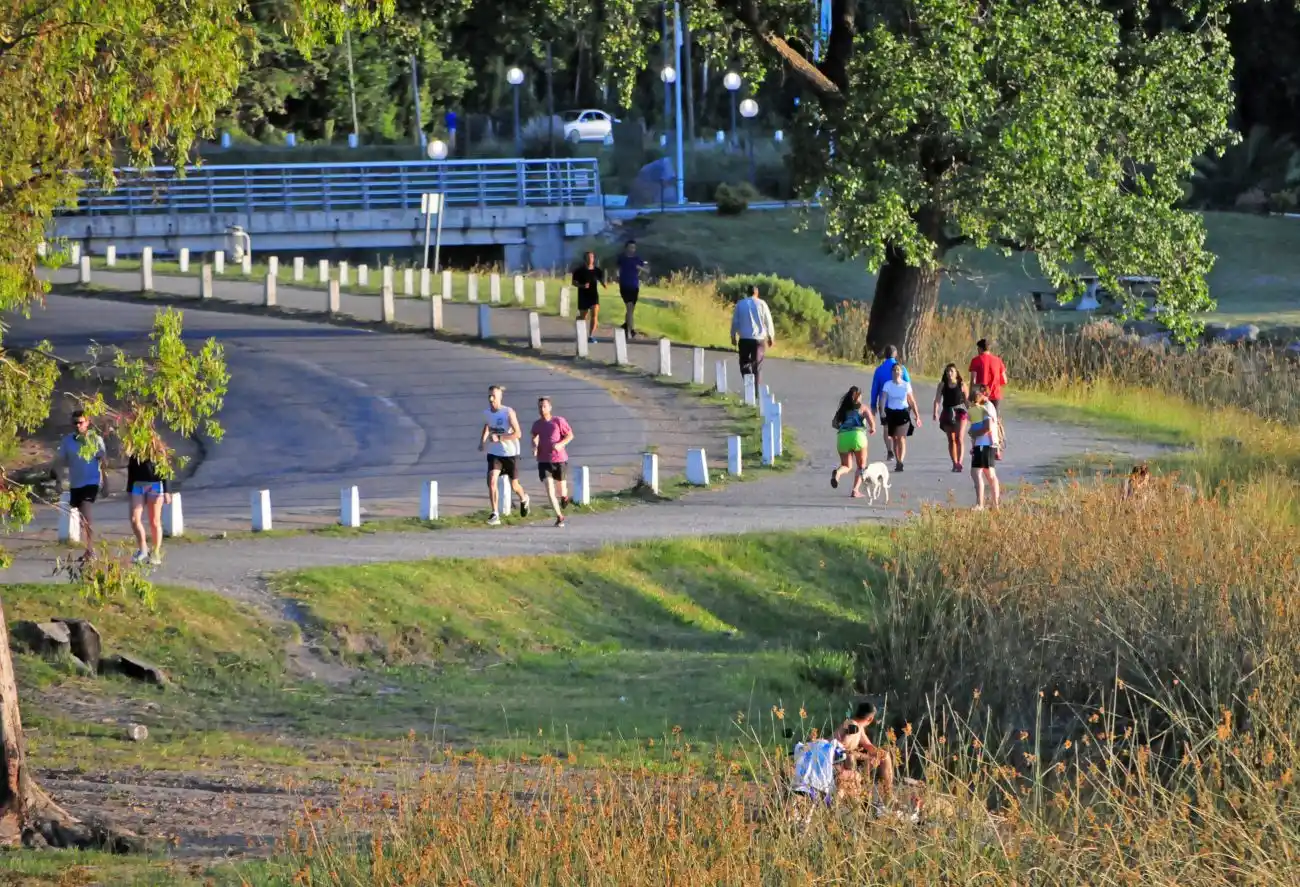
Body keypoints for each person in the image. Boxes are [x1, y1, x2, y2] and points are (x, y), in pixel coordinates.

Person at [54, 410, 106, 559]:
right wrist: (58, 481)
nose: (77, 425)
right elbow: (60, 462)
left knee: (86, 515)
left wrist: (106, 483)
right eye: (75, 423)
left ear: (88, 422)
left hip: (91, 482)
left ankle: (91, 550)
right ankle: (88, 549)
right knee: (82, 517)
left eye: (81, 422)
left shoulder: (95, 440)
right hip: (75, 483)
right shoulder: (67, 441)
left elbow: (103, 462)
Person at [478, 385, 531, 526]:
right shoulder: (487, 413)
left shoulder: (508, 412)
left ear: (500, 397)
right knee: (492, 480)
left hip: (510, 453)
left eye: (493, 396)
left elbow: (518, 433)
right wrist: (482, 441)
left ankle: (524, 498)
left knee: (514, 485)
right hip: (495, 453)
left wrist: (500, 438)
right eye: (489, 396)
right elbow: (487, 426)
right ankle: (495, 513)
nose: (490, 399)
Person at [833, 701, 895, 806]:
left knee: (885, 757)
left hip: (845, 760)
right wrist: (867, 758)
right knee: (851, 758)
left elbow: (868, 746)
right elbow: (842, 748)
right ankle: (856, 796)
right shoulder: (851, 724)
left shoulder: (859, 728)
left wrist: (881, 754)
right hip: (836, 761)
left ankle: (888, 795)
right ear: (870, 719)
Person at [531, 396, 574, 527]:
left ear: (550, 407)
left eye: (544, 406)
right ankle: (559, 516)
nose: (541, 409)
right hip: (544, 461)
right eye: (539, 406)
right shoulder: (537, 424)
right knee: (549, 489)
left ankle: (564, 497)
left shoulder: (558, 421)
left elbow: (570, 435)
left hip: (559, 460)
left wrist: (560, 444)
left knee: (561, 489)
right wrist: (534, 447)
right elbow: (534, 438)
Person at [127, 443, 170, 565]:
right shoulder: (135, 447)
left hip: (154, 485)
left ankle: (155, 552)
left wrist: (166, 491)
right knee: (135, 519)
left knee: (154, 521)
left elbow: (165, 470)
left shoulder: (157, 448)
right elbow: (131, 470)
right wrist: (129, 490)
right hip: (138, 485)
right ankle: (143, 549)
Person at [830, 386, 876, 497]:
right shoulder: (863, 408)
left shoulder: (843, 409)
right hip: (857, 436)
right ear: (859, 396)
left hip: (843, 437)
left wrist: (845, 427)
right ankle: (855, 490)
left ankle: (838, 473)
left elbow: (834, 424)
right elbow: (872, 423)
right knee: (861, 466)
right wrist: (872, 429)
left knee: (846, 465)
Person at [729, 284, 775, 393]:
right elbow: (768, 321)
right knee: (757, 366)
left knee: (744, 363)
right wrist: (771, 336)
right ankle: (756, 392)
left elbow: (735, 322)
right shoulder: (762, 304)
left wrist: (733, 335)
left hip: (744, 338)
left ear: (748, 292)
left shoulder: (740, 304)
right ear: (756, 292)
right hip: (759, 340)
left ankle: (748, 386)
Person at [876, 363, 921, 472]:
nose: (896, 372)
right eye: (894, 370)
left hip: (903, 413)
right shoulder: (888, 384)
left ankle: (900, 461)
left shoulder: (906, 385)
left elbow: (911, 401)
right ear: (891, 373)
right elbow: (883, 399)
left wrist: (917, 416)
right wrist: (881, 411)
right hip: (891, 413)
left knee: (901, 438)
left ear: (901, 373)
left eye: (898, 370)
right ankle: (898, 460)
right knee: (895, 439)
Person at [969, 338, 1008, 460]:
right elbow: (1004, 380)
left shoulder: (976, 361)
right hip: (994, 395)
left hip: (980, 395)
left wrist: (971, 394)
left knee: (978, 420)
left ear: (980, 349)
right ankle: (996, 449)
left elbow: (973, 380)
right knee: (994, 421)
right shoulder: (998, 361)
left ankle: (977, 447)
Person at [869, 346, 910, 462]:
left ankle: (890, 451)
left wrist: (873, 404)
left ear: (884, 354)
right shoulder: (901, 368)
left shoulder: (879, 370)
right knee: (899, 431)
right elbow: (907, 385)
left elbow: (875, 388)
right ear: (895, 354)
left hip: (884, 405)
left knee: (887, 429)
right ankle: (898, 455)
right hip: (900, 405)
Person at [967, 384, 1002, 510]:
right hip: (985, 444)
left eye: (975, 395)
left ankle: (980, 504)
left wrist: (973, 433)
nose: (973, 398)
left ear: (982, 394)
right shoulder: (984, 407)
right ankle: (995, 505)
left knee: (976, 472)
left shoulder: (987, 407)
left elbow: (987, 427)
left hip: (985, 443)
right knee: (989, 474)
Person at [932, 363, 969, 473]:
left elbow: (966, 400)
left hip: (960, 412)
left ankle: (960, 463)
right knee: (951, 439)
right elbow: (937, 399)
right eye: (948, 371)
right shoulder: (942, 385)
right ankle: (954, 462)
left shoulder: (961, 384)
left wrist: (972, 412)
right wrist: (935, 412)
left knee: (960, 438)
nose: (949, 373)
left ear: (956, 373)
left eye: (952, 371)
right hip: (947, 412)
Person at [615, 240, 648, 339]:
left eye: (633, 247)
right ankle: (630, 331)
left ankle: (626, 326)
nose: (632, 249)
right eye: (630, 247)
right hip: (624, 285)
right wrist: (617, 276)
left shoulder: (637, 259)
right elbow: (616, 269)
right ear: (626, 248)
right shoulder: (622, 258)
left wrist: (640, 268)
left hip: (634, 286)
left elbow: (647, 270)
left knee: (631, 310)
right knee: (629, 308)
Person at [572, 251, 605, 343]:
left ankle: (591, 336)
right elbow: (574, 283)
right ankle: (578, 324)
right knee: (583, 317)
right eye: (588, 257)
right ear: (585, 259)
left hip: (594, 295)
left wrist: (604, 284)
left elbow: (601, 279)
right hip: (583, 295)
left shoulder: (597, 270)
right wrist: (582, 286)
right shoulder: (579, 271)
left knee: (594, 314)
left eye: (592, 257)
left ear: (594, 259)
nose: (590, 259)